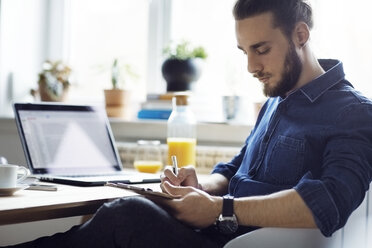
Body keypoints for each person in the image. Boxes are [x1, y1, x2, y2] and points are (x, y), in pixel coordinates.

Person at [6, 0, 372, 247]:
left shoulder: (353, 112)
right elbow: (234, 170)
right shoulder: (276, 100)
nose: (251, 67)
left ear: (301, 35)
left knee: (125, 216)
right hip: (218, 226)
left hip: (237, 240)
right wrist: (201, 187)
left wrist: (220, 208)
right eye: (245, 52)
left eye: (261, 49)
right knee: (117, 209)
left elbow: (331, 201)